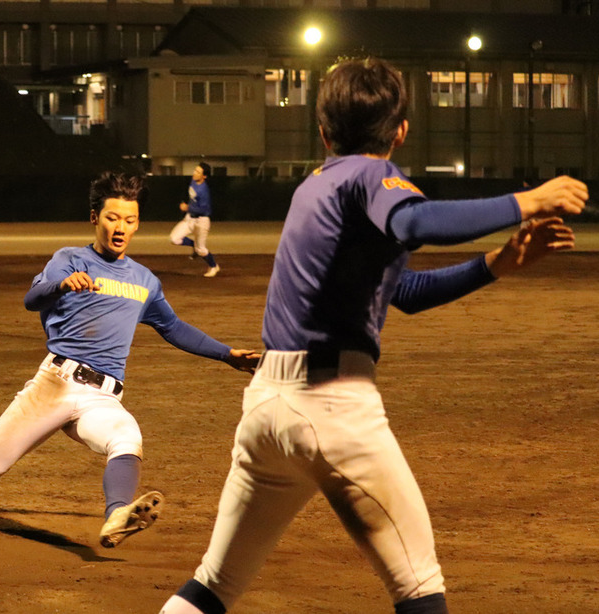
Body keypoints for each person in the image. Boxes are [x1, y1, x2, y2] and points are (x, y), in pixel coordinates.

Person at [160, 57, 585, 614]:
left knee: (213, 585)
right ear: (402, 130)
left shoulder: (315, 187)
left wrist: (494, 265)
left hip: (267, 408)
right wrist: (527, 201)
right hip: (331, 405)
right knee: (418, 587)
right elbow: (415, 223)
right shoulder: (369, 176)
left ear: (322, 129)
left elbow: (400, 292)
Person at [0, 171, 259, 547]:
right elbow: (32, 300)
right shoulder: (69, 259)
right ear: (95, 217)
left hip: (103, 397)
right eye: (113, 218)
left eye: (130, 220)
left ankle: (117, 514)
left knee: (127, 437)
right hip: (55, 385)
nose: (121, 228)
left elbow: (173, 327)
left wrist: (227, 355)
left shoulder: (144, 280)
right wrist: (61, 284)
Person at [170, 162, 220, 278]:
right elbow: (191, 197)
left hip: (201, 221)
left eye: (198, 172)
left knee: (201, 249)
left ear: (204, 176)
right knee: (174, 239)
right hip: (189, 219)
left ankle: (213, 266)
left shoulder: (204, 191)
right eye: (195, 170)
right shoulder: (193, 182)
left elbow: (204, 209)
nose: (194, 173)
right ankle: (193, 245)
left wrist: (188, 207)